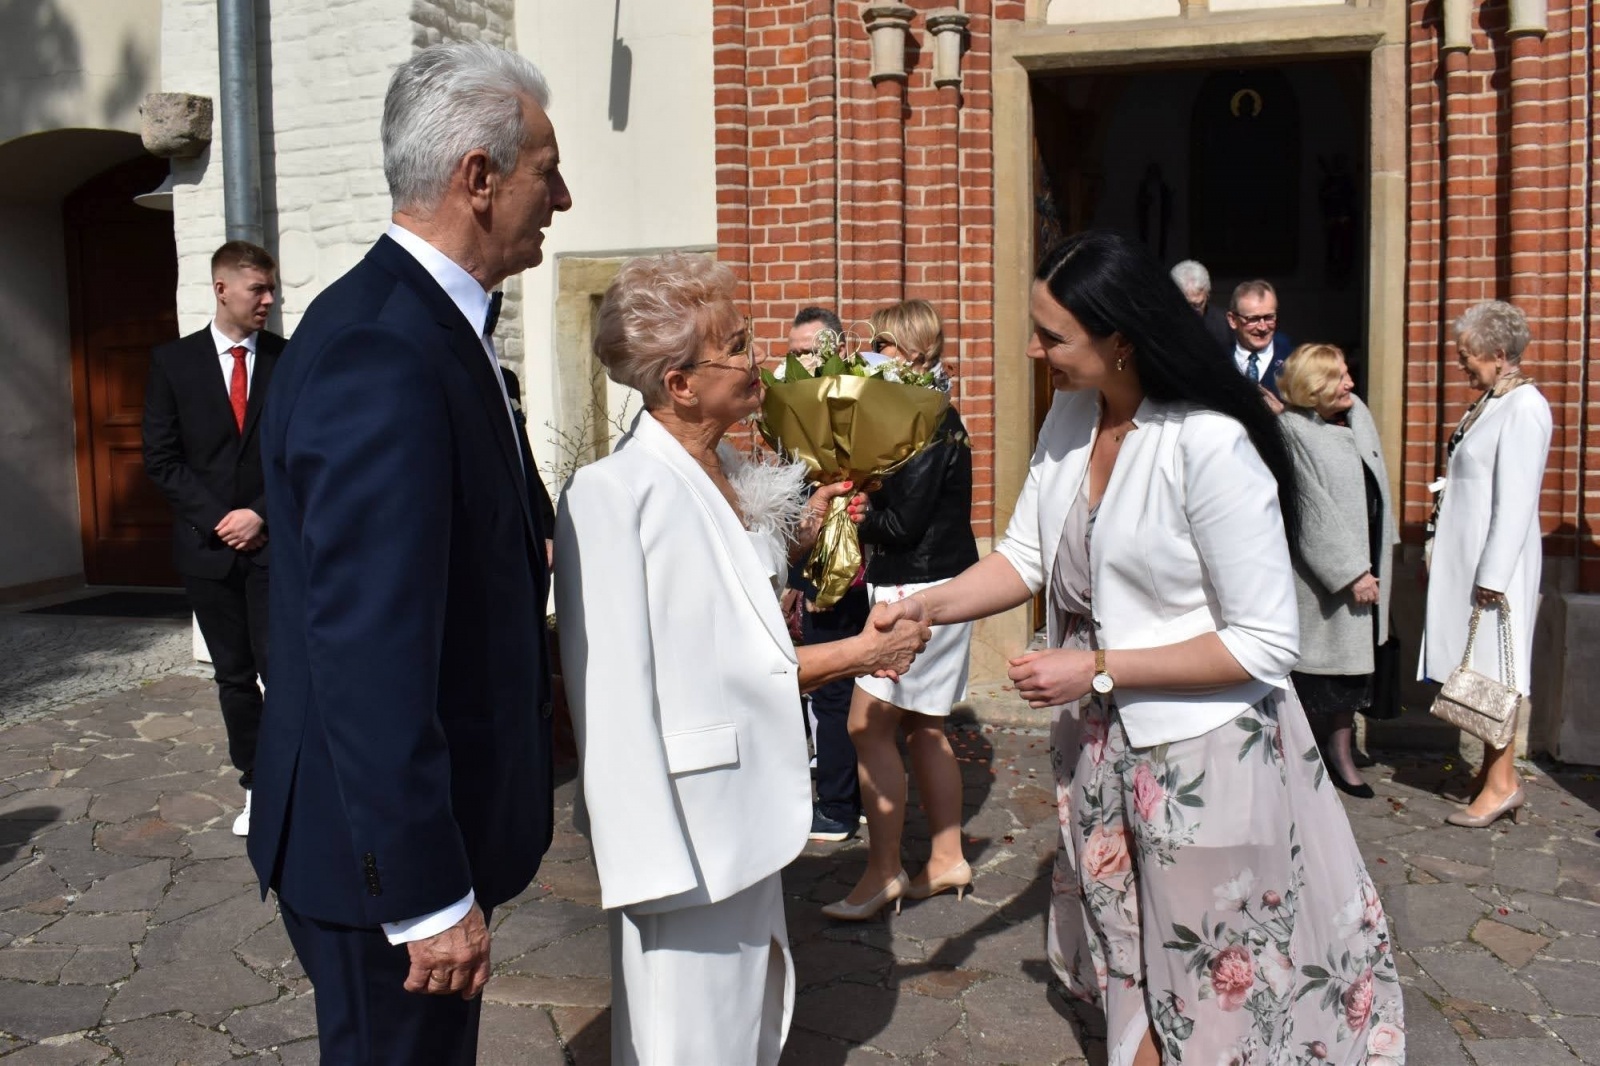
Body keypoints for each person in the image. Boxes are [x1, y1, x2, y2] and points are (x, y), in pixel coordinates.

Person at [906, 231, 1403, 1064]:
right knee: (1127, 958)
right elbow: (1025, 556)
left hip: (1205, 758)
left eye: (1052, 335)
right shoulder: (1071, 415)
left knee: (1211, 987)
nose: (1034, 349)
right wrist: (925, 608)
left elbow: (1264, 641)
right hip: (1100, 751)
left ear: (1121, 342)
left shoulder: (1206, 442)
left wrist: (1097, 665)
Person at [246, 42, 570, 1064]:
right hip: (378, 862)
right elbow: (368, 650)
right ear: (478, 177)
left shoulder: (433, 324)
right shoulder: (384, 348)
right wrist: (426, 891)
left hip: (422, 835)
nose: (561, 194)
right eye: (544, 169)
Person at [553, 252, 932, 1066]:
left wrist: (806, 526)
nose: (758, 360)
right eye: (737, 345)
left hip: (744, 808)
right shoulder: (613, 495)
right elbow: (618, 688)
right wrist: (857, 653)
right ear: (680, 382)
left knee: (746, 1024)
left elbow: (738, 613)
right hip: (682, 830)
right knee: (685, 1041)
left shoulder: (726, 470)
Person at [824, 298, 980, 919]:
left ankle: (883, 871)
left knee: (867, 725)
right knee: (925, 726)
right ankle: (945, 857)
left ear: (908, 351)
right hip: (935, 581)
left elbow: (905, 522)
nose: (871, 356)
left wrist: (859, 512)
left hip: (917, 587)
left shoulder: (925, 417)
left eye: (880, 345)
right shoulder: (934, 411)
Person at [142, 240, 285, 838]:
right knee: (233, 675)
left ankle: (291, 781)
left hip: (275, 546)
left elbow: (300, 453)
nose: (269, 301)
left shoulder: (287, 358)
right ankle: (255, 781)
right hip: (208, 552)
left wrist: (258, 515)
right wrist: (222, 519)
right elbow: (162, 458)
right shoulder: (173, 363)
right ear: (222, 288)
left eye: (271, 289)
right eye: (258, 289)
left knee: (284, 671)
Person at [1421, 299, 1551, 827]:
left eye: (1467, 355)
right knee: (1475, 671)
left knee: (1496, 673)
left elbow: (1516, 500)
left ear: (1498, 354)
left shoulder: (1525, 407)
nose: (1461, 365)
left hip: (1496, 568)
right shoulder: (1493, 403)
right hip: (1470, 561)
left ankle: (1502, 783)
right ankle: (1494, 775)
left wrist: (1493, 577)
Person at [1277, 344, 1398, 799]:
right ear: (1313, 388)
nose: (1350, 384)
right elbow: (1308, 509)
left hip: (1368, 565)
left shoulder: (1353, 417)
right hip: (1326, 579)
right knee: (1317, 677)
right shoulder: (1290, 431)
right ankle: (1305, 760)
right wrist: (1350, 573)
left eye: (1348, 374)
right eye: (1339, 377)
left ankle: (1342, 754)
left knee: (1351, 679)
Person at [779, 305, 868, 841]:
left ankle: (837, 806)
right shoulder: (793, 414)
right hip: (813, 560)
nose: (800, 362)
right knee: (832, 687)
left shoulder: (858, 404)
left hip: (853, 566)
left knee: (839, 687)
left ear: (838, 352)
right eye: (792, 353)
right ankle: (845, 795)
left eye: (810, 352)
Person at [1228, 279, 1293, 409]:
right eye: (1253, 319)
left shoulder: (1296, 362)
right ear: (1233, 320)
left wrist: (1284, 416)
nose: (1263, 327)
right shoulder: (1219, 363)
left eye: (1269, 317)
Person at [1170, 259, 1231, 356]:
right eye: (1185, 305)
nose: (1191, 312)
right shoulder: (1160, 323)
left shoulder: (1225, 325)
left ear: (1207, 295)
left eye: (1197, 305)